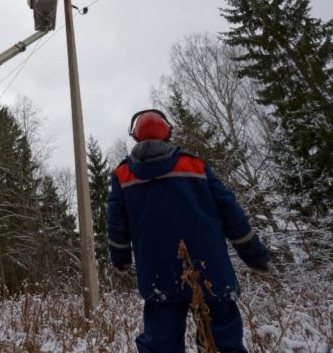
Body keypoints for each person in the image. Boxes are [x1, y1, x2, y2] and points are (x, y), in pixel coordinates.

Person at [107, 109, 269, 353]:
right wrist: (254, 255)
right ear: (168, 132)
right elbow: (230, 212)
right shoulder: (195, 165)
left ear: (135, 136)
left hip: (157, 272)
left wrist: (120, 261)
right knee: (224, 344)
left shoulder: (123, 175)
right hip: (209, 268)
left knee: (160, 345)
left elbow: (116, 225)